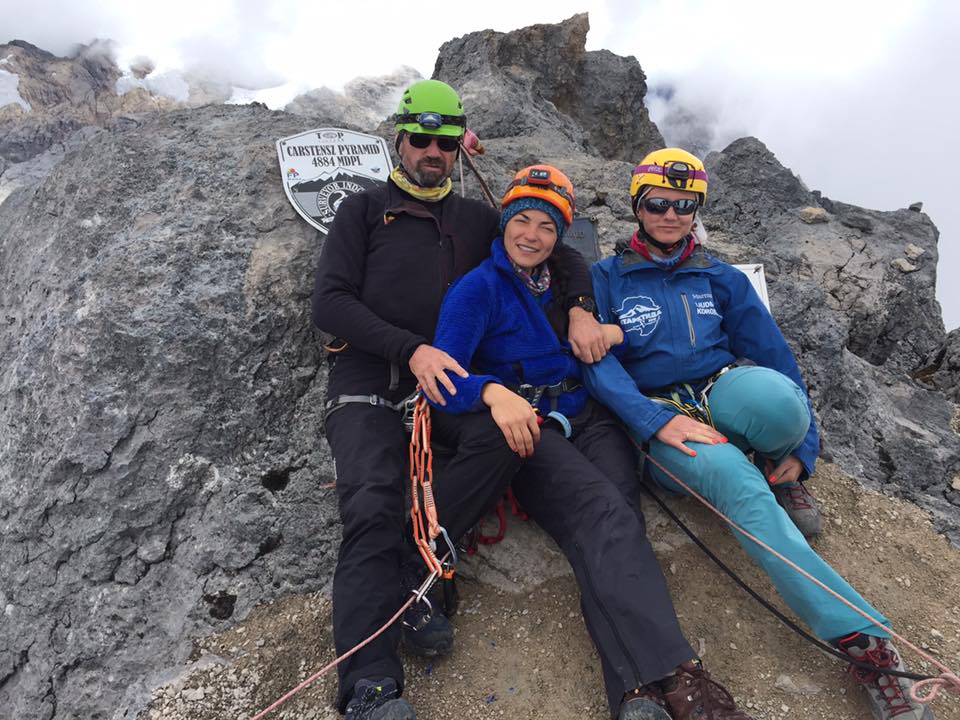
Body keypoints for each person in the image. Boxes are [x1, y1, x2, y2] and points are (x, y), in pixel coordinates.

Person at [583, 147, 934, 720]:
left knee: (778, 406)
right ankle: (866, 644)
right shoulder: (605, 278)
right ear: (637, 207)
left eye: (683, 204)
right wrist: (653, 421)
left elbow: (776, 359)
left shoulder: (718, 276)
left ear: (696, 208)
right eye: (657, 203)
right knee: (735, 482)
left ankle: (779, 468)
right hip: (662, 416)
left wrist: (802, 450)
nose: (671, 215)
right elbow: (595, 364)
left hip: (719, 388)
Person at [312, 79, 608, 720]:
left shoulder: (478, 219)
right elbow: (329, 303)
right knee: (372, 503)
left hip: (451, 385)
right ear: (400, 137)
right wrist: (410, 350)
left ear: (456, 147)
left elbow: (564, 251)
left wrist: (582, 309)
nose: (433, 152)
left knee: (509, 434)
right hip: (371, 383)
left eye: (446, 142)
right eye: (421, 138)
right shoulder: (362, 211)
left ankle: (411, 578)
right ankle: (371, 687)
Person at [430, 164, 755, 720]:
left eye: (547, 226)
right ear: (503, 223)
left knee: (619, 518)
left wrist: (611, 331)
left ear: (560, 237)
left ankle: (633, 692)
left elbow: (623, 332)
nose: (532, 235)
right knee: (604, 512)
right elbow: (444, 378)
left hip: (588, 415)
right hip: (529, 427)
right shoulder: (477, 289)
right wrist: (490, 393)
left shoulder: (564, 281)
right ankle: (676, 675)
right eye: (522, 220)